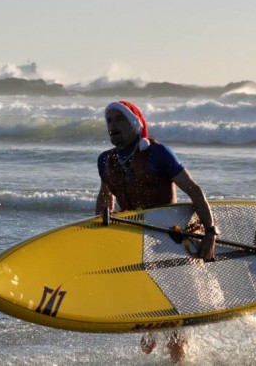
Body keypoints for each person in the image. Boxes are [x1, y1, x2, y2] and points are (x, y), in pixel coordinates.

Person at [95, 100, 216, 362]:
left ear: (134, 124)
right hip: (133, 243)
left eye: (119, 120)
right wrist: (102, 226)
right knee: (148, 337)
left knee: (172, 323)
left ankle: (179, 360)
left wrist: (210, 232)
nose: (113, 126)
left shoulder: (158, 154)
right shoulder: (105, 160)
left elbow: (193, 190)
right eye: (109, 121)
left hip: (168, 240)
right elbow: (105, 198)